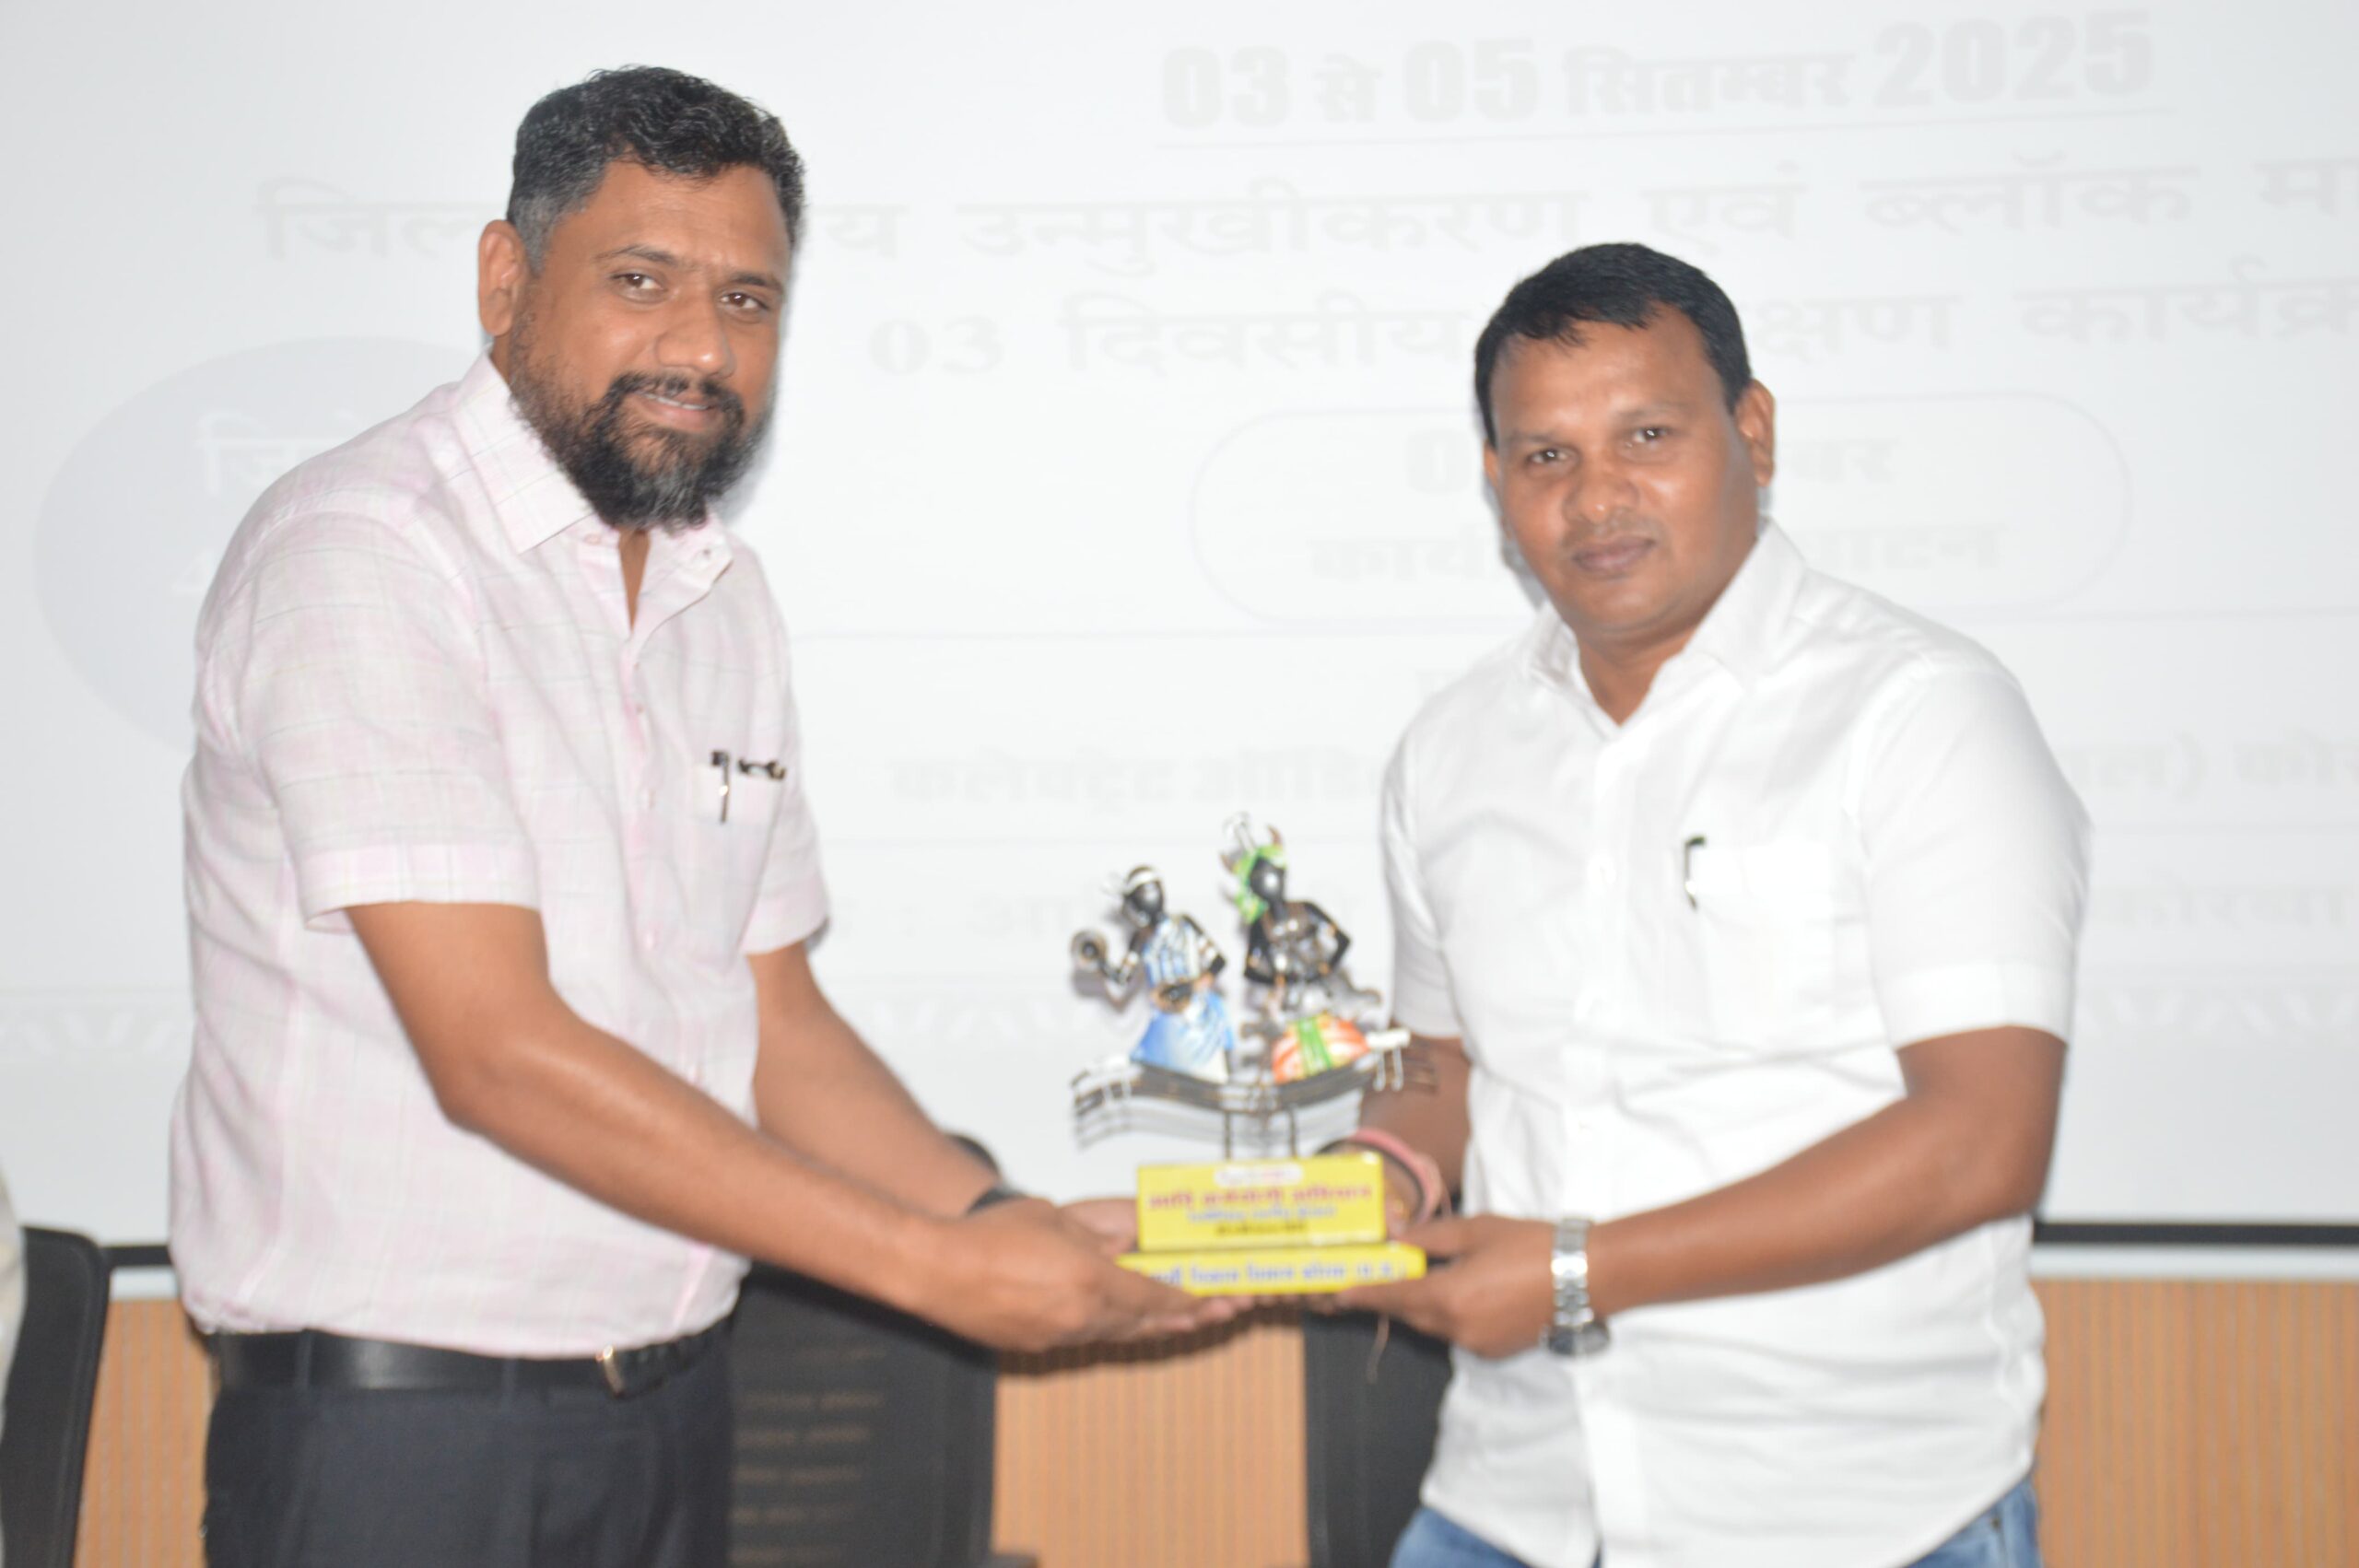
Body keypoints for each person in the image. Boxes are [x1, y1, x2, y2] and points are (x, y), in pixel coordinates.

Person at [171, 66, 1208, 1568]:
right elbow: (495, 1051)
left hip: (670, 1414)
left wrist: (992, 1216)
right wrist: (934, 1271)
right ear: (506, 279)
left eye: (747, 300)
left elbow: (773, 1021)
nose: (702, 347)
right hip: (399, 1445)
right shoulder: (370, 552)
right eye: (641, 282)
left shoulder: (724, 595)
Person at [1332, 243, 2087, 1568]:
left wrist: (1578, 1270)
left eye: (1647, 435)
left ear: (1755, 431)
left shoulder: (1919, 714)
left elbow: (1984, 1140)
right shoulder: (1449, 750)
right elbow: (1436, 1059)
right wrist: (1378, 1177)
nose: (1596, 496)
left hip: (1854, 1515)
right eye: (1546, 455)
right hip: (1509, 1498)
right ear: (1497, 481)